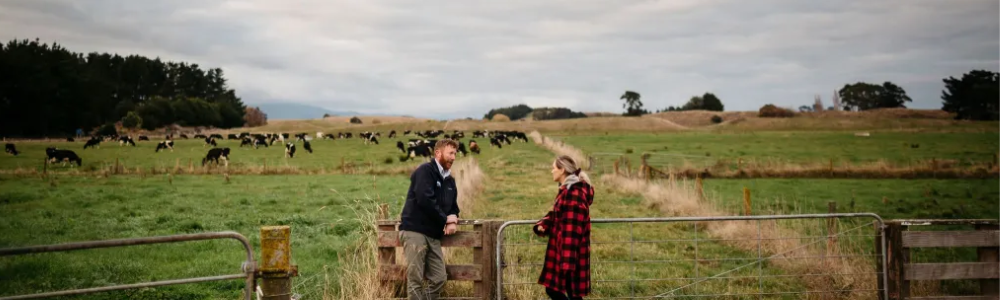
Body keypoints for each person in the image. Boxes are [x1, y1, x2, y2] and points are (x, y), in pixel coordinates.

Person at [398, 139, 461, 300]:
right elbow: (425, 199)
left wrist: (453, 217)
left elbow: (453, 206)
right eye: (450, 153)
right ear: (438, 153)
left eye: (455, 153)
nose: (453, 157)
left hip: (434, 235)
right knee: (415, 279)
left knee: (440, 278)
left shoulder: (450, 181)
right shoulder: (425, 171)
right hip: (415, 231)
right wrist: (445, 219)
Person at [533, 155, 594, 300]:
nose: (551, 171)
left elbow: (572, 230)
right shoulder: (567, 190)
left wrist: (567, 263)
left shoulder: (573, 194)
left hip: (569, 255)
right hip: (564, 252)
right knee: (571, 294)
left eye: (553, 168)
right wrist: (544, 224)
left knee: (556, 291)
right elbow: (558, 213)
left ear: (562, 170)